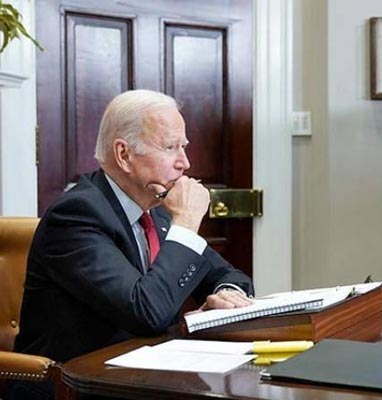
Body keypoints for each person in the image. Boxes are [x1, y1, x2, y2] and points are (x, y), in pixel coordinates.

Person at [8, 90, 253, 400]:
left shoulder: (159, 214)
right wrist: (188, 222)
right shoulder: (76, 216)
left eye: (184, 147)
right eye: (170, 147)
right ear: (124, 155)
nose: (185, 163)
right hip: (76, 388)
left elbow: (234, 277)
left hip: (144, 380)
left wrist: (226, 295)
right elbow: (146, 312)